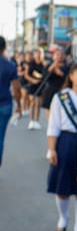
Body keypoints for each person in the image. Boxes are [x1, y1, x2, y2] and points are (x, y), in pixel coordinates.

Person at [46, 62, 77, 231]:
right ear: (71, 76)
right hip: (66, 143)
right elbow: (54, 126)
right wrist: (52, 149)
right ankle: (63, 218)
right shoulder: (61, 97)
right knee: (63, 186)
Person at [0, 37, 22, 168]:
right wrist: (19, 105)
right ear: (4, 48)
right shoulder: (10, 66)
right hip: (5, 105)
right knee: (0, 137)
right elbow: (16, 88)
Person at [41, 48, 69, 126]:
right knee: (48, 108)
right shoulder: (49, 66)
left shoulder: (67, 67)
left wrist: (56, 68)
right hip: (49, 91)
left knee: (61, 109)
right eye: (57, 55)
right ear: (53, 56)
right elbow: (45, 76)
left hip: (62, 91)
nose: (59, 56)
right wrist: (53, 65)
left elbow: (63, 75)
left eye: (61, 55)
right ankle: (51, 126)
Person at [25, 49, 44, 129]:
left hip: (40, 85)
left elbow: (45, 73)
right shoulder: (31, 64)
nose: (38, 55)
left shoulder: (43, 64)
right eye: (36, 54)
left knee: (38, 103)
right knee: (32, 102)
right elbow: (26, 75)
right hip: (32, 85)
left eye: (39, 54)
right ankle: (31, 121)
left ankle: (36, 121)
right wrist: (33, 80)